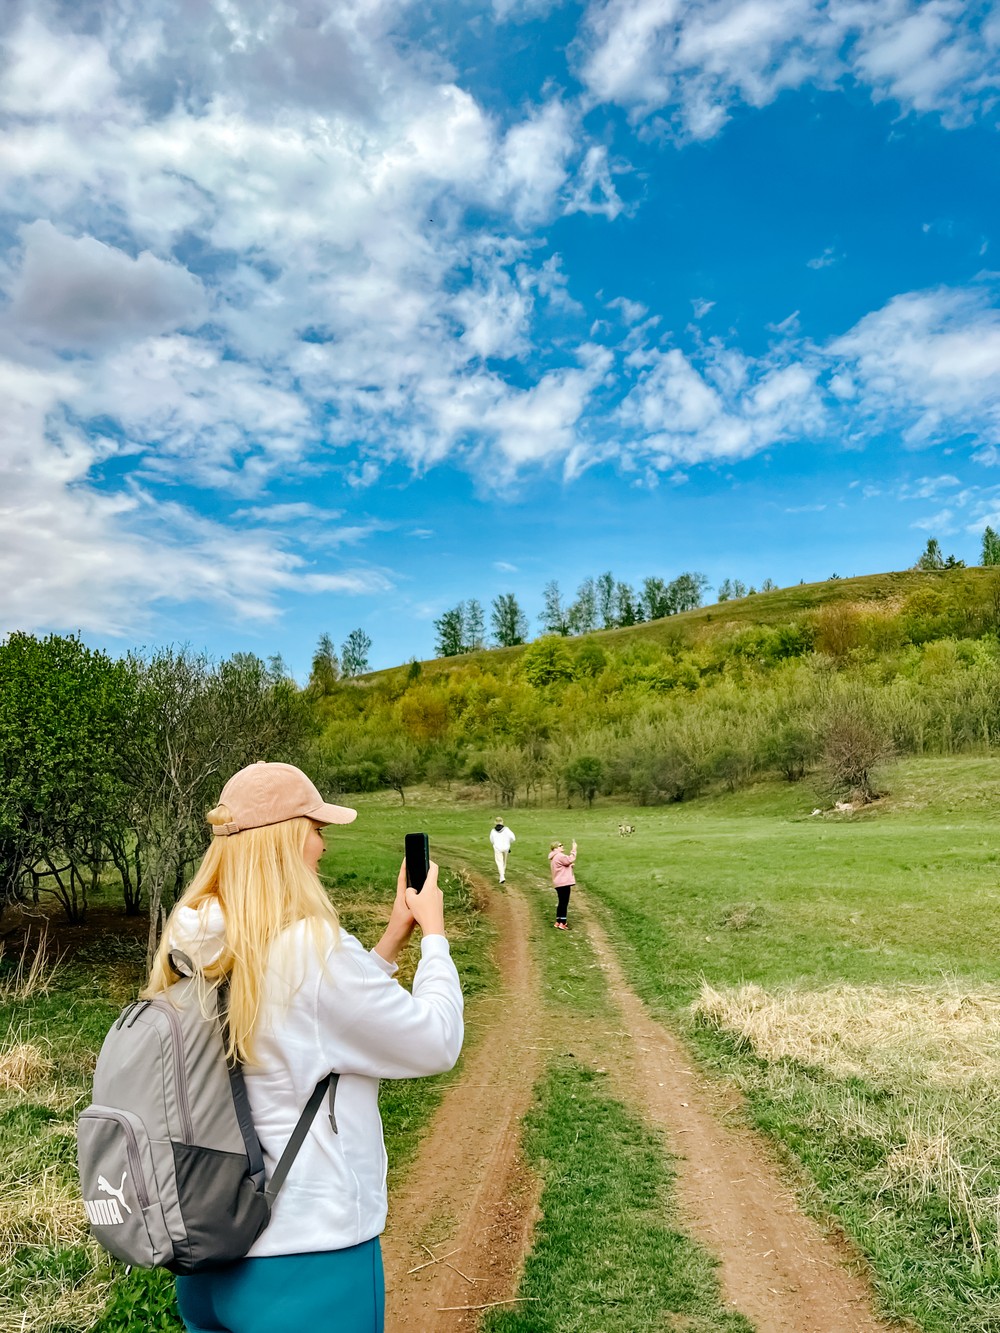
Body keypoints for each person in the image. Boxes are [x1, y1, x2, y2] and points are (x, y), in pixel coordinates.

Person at [143, 761, 464, 1333]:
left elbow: (308, 1020)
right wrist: (434, 939)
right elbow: (435, 1041)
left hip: (210, 1256)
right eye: (317, 831)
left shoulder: (191, 937)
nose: (322, 847)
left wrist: (391, 938)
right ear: (288, 839)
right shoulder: (310, 950)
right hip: (308, 1262)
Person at [548, 839, 577, 929]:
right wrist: (574, 849)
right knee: (564, 903)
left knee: (561, 902)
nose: (562, 846)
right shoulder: (560, 855)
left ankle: (558, 921)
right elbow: (570, 860)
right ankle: (563, 923)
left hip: (558, 883)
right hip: (564, 883)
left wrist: (569, 866)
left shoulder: (554, 857)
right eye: (561, 845)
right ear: (556, 848)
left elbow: (561, 867)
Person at [489, 817, 516, 883]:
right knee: (504, 861)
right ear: (502, 822)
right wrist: (508, 842)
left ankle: (502, 876)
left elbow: (491, 840)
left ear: (495, 822)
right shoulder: (507, 830)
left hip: (498, 848)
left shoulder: (493, 831)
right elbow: (513, 838)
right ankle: (502, 874)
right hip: (506, 847)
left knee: (499, 862)